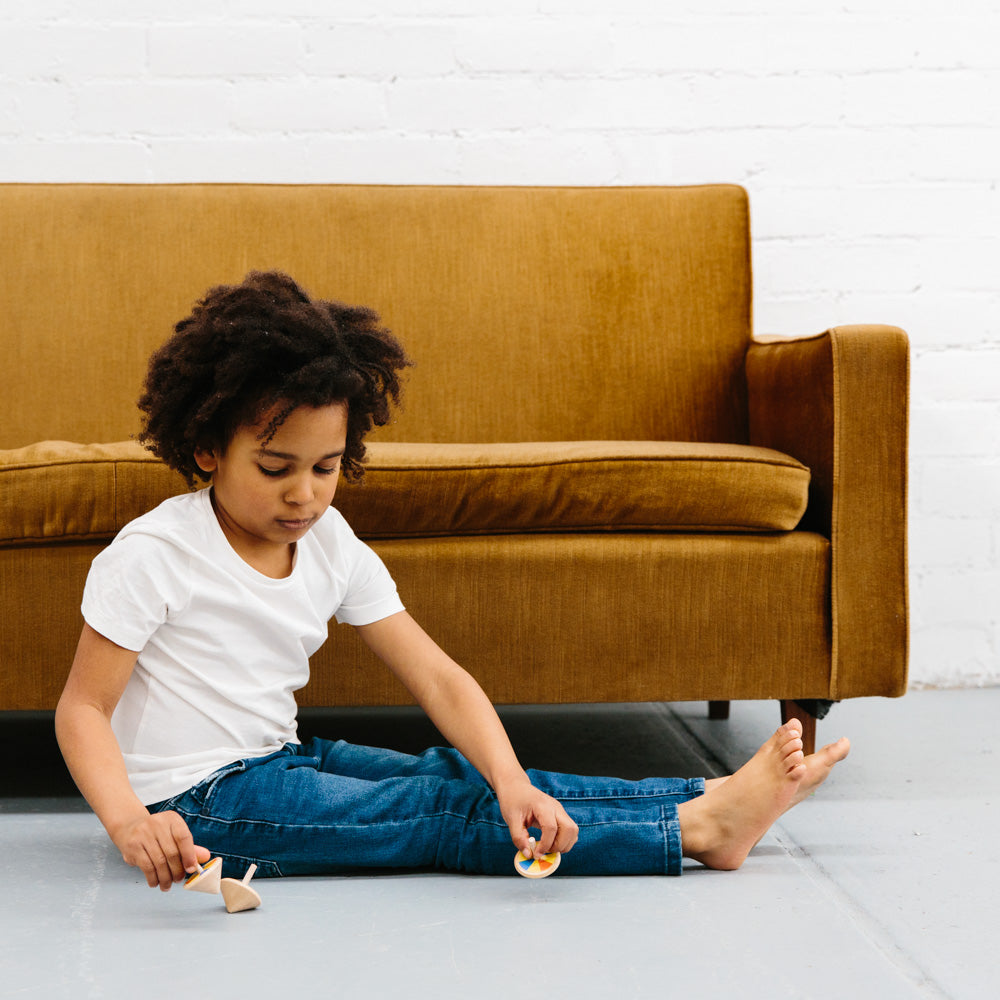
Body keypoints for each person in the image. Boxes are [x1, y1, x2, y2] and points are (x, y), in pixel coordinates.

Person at [55, 270, 850, 891]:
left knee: (465, 777)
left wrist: (507, 776)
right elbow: (84, 708)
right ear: (206, 450)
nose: (304, 493)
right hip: (199, 808)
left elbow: (436, 676)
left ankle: (698, 804)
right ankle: (697, 833)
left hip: (275, 760)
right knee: (434, 812)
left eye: (327, 467)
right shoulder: (155, 551)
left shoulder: (328, 541)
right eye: (275, 469)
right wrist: (130, 823)